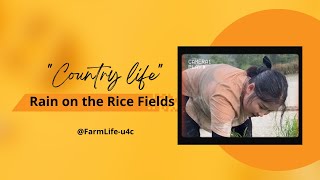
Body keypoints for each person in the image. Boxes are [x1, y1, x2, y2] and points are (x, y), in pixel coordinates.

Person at [182, 56, 288, 137]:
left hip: (212, 84)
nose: (261, 114)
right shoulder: (224, 95)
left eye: (268, 111)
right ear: (250, 88)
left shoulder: (250, 89)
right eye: (261, 107)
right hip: (184, 88)